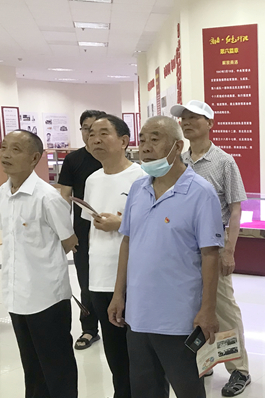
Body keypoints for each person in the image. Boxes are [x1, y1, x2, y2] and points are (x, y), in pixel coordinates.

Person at [107, 116, 224, 398]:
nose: (146, 147)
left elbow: (210, 254)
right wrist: (118, 294)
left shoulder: (201, 192)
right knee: (144, 389)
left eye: (155, 139)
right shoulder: (138, 189)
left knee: (188, 390)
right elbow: (127, 242)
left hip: (179, 318)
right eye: (143, 139)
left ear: (177, 146)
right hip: (138, 315)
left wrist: (208, 309)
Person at [174, 100, 253, 396]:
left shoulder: (223, 161)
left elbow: (235, 209)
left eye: (194, 117)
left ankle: (238, 369)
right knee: (192, 305)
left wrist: (229, 250)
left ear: (210, 123)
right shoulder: (178, 161)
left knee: (223, 308)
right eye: (184, 118)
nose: (187, 122)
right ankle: (204, 361)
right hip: (184, 246)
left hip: (215, 245)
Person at [0, 130, 79, 398]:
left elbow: (69, 241)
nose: (6, 155)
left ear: (34, 158)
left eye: (15, 150)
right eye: (4, 147)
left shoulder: (47, 197)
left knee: (57, 367)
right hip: (16, 295)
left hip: (46, 298)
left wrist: (44, 265)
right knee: (32, 368)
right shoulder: (2, 192)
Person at [82, 115, 145, 398]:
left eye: (104, 133)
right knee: (115, 355)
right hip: (99, 278)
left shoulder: (141, 178)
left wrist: (121, 224)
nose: (95, 139)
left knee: (139, 356)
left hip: (133, 278)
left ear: (123, 141)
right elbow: (90, 228)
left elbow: (155, 226)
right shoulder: (92, 179)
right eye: (91, 134)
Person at [57, 109, 104, 350]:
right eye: (87, 129)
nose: (92, 135)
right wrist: (66, 231)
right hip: (83, 231)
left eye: (98, 130)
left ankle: (120, 325)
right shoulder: (73, 160)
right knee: (85, 281)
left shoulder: (112, 158)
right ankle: (89, 328)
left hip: (112, 229)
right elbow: (64, 197)